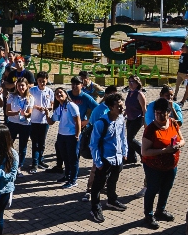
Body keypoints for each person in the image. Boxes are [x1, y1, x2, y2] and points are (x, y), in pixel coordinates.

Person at [140, 98, 185, 229]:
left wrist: (178, 145)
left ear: (168, 112)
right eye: (157, 112)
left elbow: (182, 140)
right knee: (153, 189)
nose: (159, 115)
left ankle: (160, 210)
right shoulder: (150, 130)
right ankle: (148, 215)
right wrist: (165, 150)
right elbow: (145, 152)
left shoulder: (173, 123)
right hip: (153, 167)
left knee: (166, 188)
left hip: (171, 166)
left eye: (162, 113)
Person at [88, 93, 129, 223]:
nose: (122, 109)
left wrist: (124, 152)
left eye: (122, 106)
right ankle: (95, 208)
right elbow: (93, 144)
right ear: (111, 107)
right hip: (105, 160)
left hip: (118, 159)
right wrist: (98, 162)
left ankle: (112, 201)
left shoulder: (121, 119)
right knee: (98, 186)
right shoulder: (101, 123)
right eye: (119, 106)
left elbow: (123, 137)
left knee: (113, 181)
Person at [48, 87, 81, 189]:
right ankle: (67, 176)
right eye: (56, 94)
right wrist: (46, 114)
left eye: (60, 93)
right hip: (61, 135)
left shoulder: (71, 105)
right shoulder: (59, 108)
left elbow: (78, 121)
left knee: (73, 159)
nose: (59, 95)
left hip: (71, 136)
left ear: (66, 94)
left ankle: (73, 180)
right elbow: (51, 122)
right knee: (65, 158)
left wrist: (77, 134)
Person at [5, 77, 34, 170]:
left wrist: (24, 114)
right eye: (18, 85)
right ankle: (8, 162)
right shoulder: (11, 96)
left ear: (26, 86)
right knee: (9, 144)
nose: (20, 87)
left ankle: (20, 165)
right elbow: (7, 112)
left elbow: (29, 114)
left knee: (23, 146)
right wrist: (16, 113)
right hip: (12, 123)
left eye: (22, 85)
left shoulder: (30, 98)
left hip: (25, 125)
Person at [28, 72, 54, 172]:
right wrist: (36, 107)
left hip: (44, 121)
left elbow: (52, 104)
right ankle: (34, 163)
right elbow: (28, 103)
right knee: (35, 143)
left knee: (42, 142)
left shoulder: (49, 91)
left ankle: (40, 160)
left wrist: (49, 109)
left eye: (43, 81)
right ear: (37, 81)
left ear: (47, 81)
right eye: (39, 81)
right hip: (34, 120)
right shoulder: (32, 90)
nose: (42, 83)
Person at [124, 76, 147, 164]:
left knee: (130, 138)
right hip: (129, 118)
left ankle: (143, 153)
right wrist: (123, 115)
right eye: (129, 81)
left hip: (137, 119)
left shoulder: (139, 94)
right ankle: (131, 158)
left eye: (132, 82)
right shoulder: (130, 93)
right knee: (129, 138)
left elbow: (144, 109)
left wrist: (145, 121)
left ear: (137, 83)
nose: (130, 83)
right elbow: (128, 107)